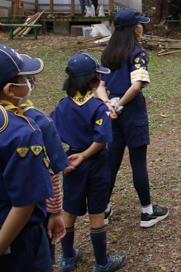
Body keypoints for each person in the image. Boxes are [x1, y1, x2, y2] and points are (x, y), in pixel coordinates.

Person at [51, 52, 127, 272]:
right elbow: (102, 140)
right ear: (92, 82)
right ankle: (102, 263)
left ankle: (66, 258)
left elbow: (52, 135)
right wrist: (84, 155)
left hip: (70, 163)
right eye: (97, 78)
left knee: (69, 211)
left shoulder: (61, 106)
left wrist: (64, 160)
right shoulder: (98, 107)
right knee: (96, 214)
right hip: (94, 162)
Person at [0, 44, 54, 272]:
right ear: (9, 90)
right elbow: (24, 205)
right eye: (23, 78)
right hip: (16, 241)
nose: (29, 82)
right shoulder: (22, 132)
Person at [98, 8, 169, 228]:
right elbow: (136, 86)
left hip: (112, 113)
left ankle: (103, 209)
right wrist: (120, 104)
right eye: (139, 24)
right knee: (138, 163)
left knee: (111, 162)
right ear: (133, 28)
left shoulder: (108, 53)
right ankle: (147, 213)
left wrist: (108, 104)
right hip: (131, 112)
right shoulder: (138, 53)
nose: (142, 27)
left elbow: (100, 85)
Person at [18, 65, 70, 267]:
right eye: (27, 79)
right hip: (34, 215)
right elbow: (53, 173)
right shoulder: (39, 121)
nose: (31, 83)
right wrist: (56, 212)